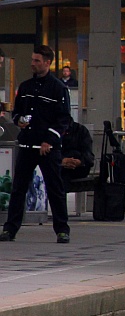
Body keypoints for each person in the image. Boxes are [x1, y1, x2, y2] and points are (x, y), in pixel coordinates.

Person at [0, 45, 73, 243]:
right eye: (32, 60)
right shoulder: (25, 87)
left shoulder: (58, 88)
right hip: (26, 146)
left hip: (47, 148)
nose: (33, 64)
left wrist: (49, 140)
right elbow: (16, 112)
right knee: (18, 189)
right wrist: (18, 121)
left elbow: (64, 119)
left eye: (37, 61)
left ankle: (62, 229)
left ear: (47, 63)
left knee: (55, 188)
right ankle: (10, 229)